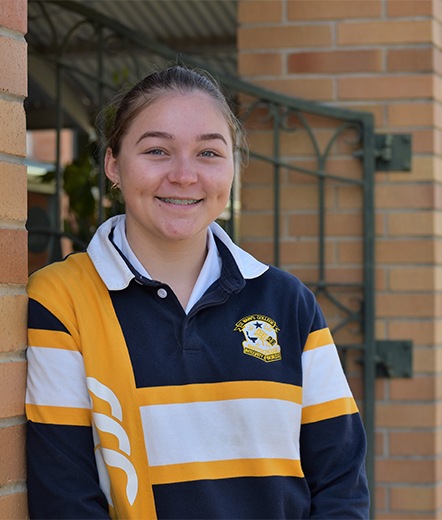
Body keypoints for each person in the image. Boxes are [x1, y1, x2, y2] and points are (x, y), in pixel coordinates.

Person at [25, 66, 369, 519]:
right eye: (157, 150)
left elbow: (341, 485)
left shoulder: (289, 302)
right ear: (113, 163)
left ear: (233, 167)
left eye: (208, 152)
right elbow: (65, 500)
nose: (184, 175)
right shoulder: (61, 301)